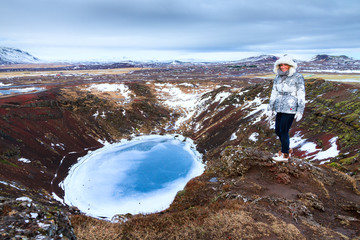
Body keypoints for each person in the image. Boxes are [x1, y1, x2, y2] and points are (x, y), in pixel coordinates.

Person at [267, 55, 305, 162]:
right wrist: (270, 108)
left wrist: (300, 110)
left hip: (291, 107)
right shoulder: (277, 77)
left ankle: (285, 155)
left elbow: (301, 94)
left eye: (285, 65)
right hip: (279, 107)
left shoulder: (297, 77)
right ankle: (287, 148)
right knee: (278, 131)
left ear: (290, 66)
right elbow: (273, 93)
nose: (283, 67)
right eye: (281, 65)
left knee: (283, 130)